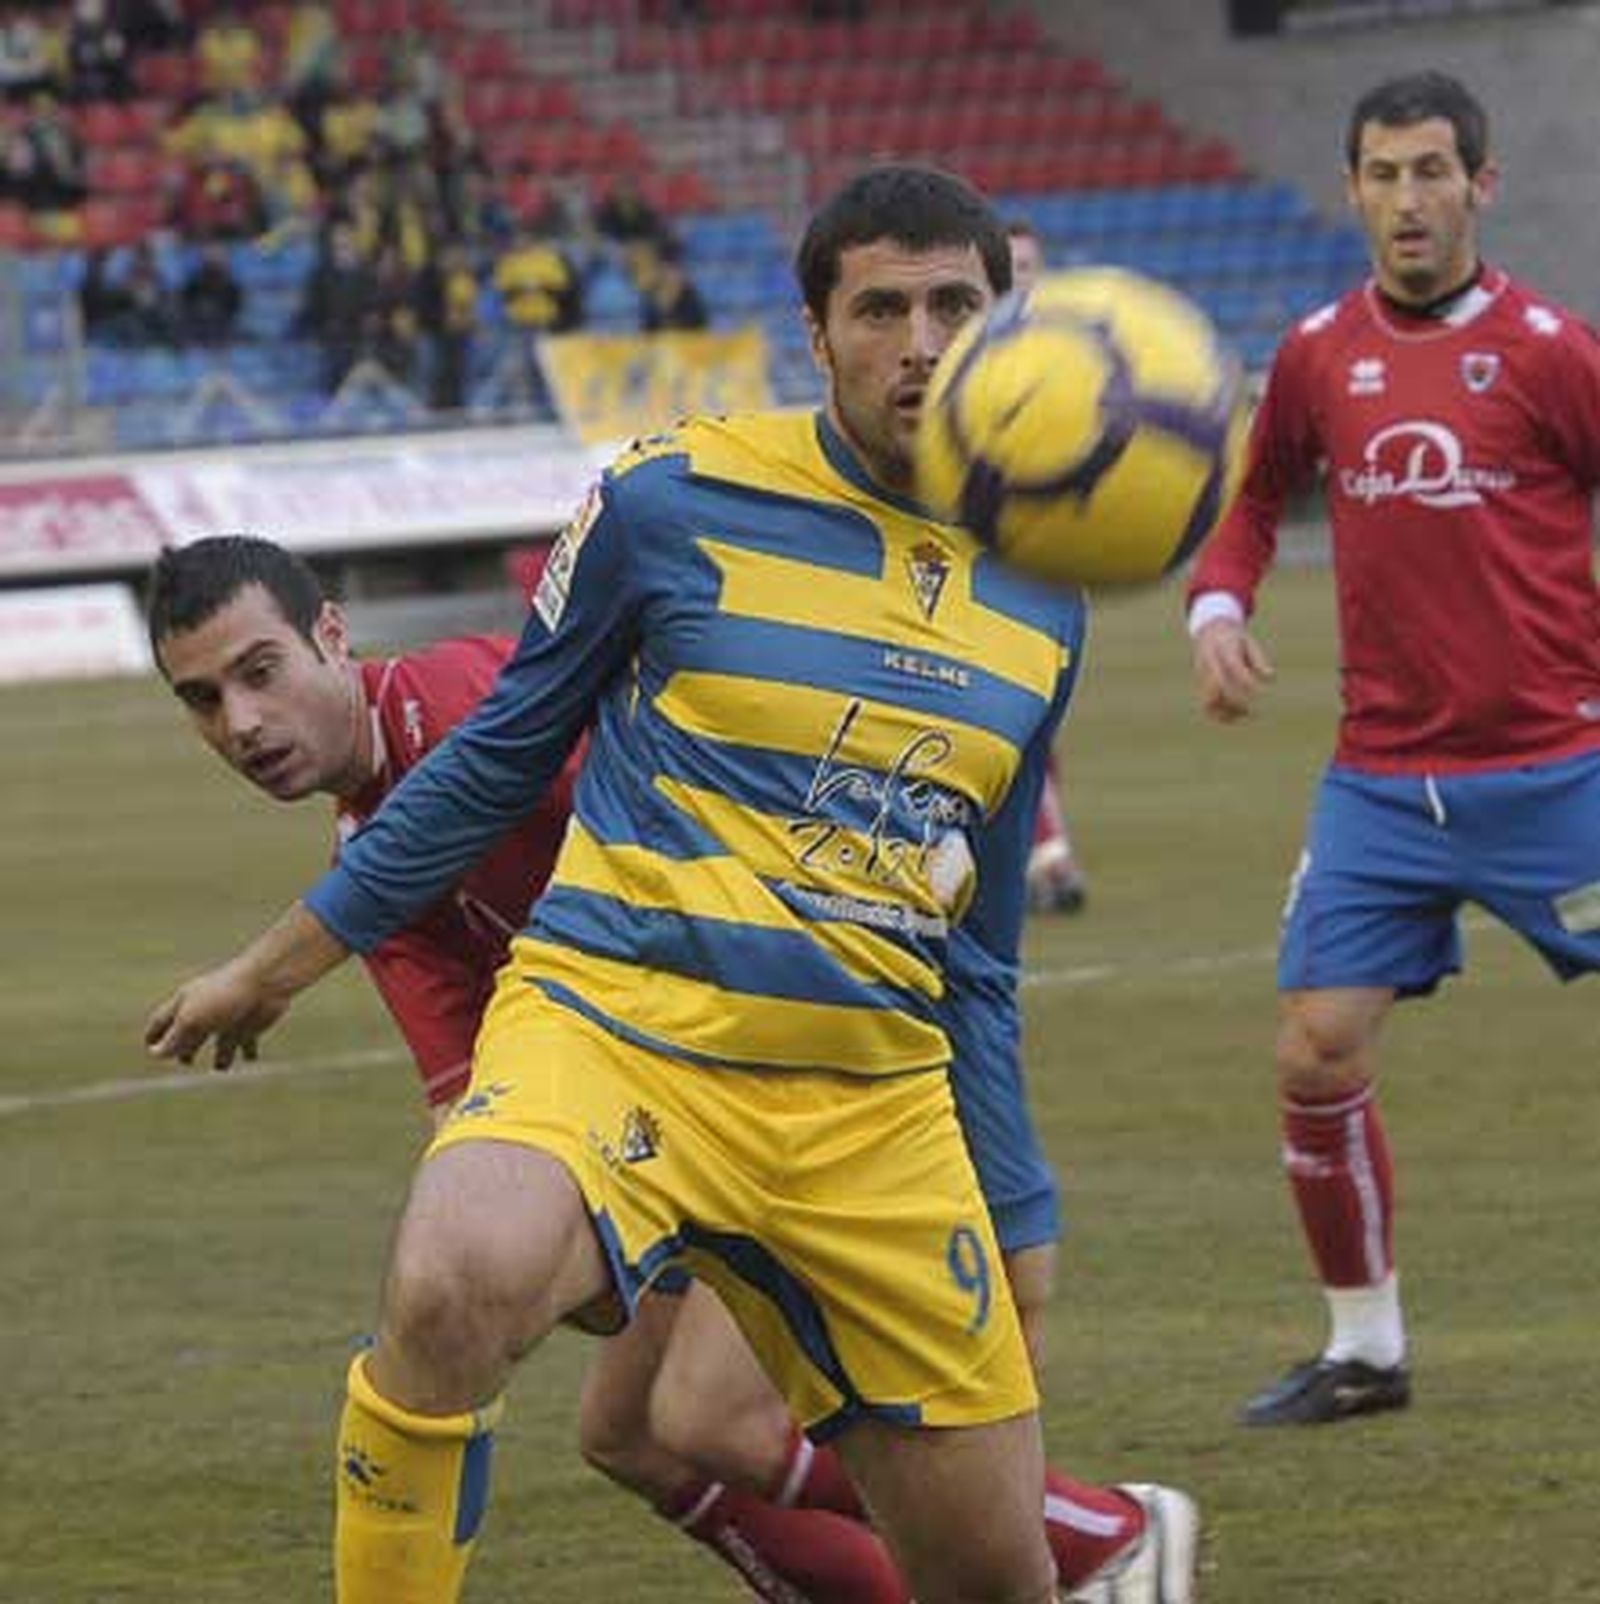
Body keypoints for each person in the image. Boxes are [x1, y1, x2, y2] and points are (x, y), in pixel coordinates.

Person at [147, 165, 1198, 1603]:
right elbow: (490, 758)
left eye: (955, 306)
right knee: (453, 1275)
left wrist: (1013, 1197)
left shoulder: (1042, 597)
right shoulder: (668, 496)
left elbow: (978, 944)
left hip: (870, 1106)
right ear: (816, 334)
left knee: (991, 1576)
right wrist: (271, 969)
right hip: (619, 1022)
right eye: (879, 309)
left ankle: (1091, 1533)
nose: (919, 344)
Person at [1187, 70, 1600, 1427]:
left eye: (1432, 171)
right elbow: (1253, 503)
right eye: (1383, 173)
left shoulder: (1552, 350)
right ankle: (1364, 1350)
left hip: (1562, 773)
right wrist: (1217, 607)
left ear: (1482, 184)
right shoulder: (1316, 354)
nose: (1408, 199)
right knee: (1314, 1051)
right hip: (1382, 785)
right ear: (1352, 189)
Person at [1007, 217, 1090, 916]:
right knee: (1014, 707)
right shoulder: (963, 362)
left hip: (1050, 554)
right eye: (1008, 267)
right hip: (985, 555)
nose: (1020, 280)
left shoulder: (1062, 359)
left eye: (1029, 267)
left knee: (1043, 712)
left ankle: (1033, 850)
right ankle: (1047, 856)